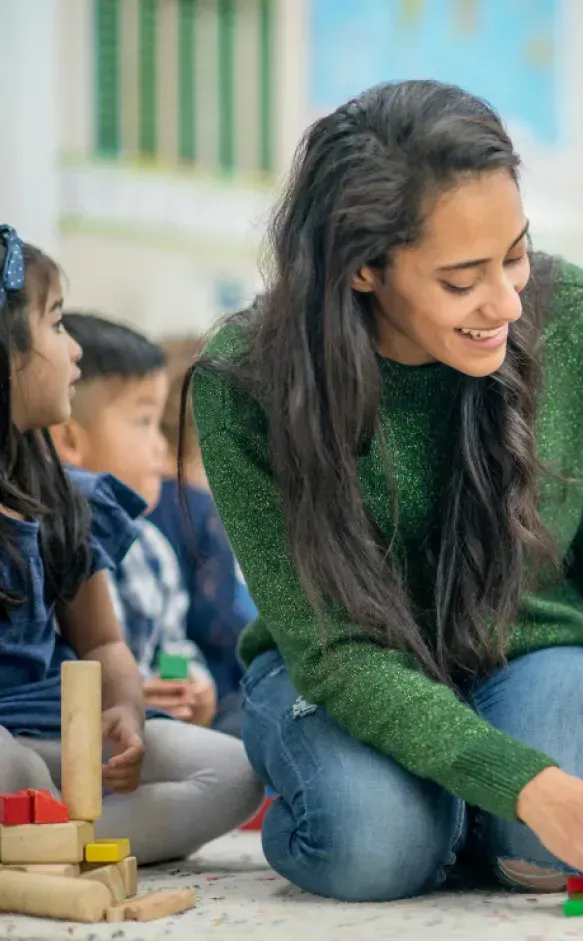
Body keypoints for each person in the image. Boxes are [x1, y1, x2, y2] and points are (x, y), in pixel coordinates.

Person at [187, 81, 583, 908]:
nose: (507, 301)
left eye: (515, 253)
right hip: (345, 670)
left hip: (535, 654)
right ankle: (441, 813)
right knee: (373, 848)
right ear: (361, 266)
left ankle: (471, 812)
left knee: (552, 852)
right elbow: (335, 649)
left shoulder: (574, 320)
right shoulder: (243, 381)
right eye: (461, 278)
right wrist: (528, 782)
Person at [0, 227, 262, 861]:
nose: (74, 352)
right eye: (56, 325)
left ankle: (42, 842)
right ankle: (40, 829)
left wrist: (123, 709)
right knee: (15, 777)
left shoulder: (70, 499)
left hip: (57, 728)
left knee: (235, 774)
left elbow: (104, 642)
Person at [51, 313, 218, 727]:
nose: (161, 449)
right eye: (144, 422)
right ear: (70, 439)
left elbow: (173, 646)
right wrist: (122, 697)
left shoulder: (151, 547)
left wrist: (195, 688)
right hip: (68, 729)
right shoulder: (49, 546)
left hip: (148, 732)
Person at [148, 335, 254, 737]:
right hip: (217, 696)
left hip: (185, 688)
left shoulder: (151, 501)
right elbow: (217, 623)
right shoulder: (195, 507)